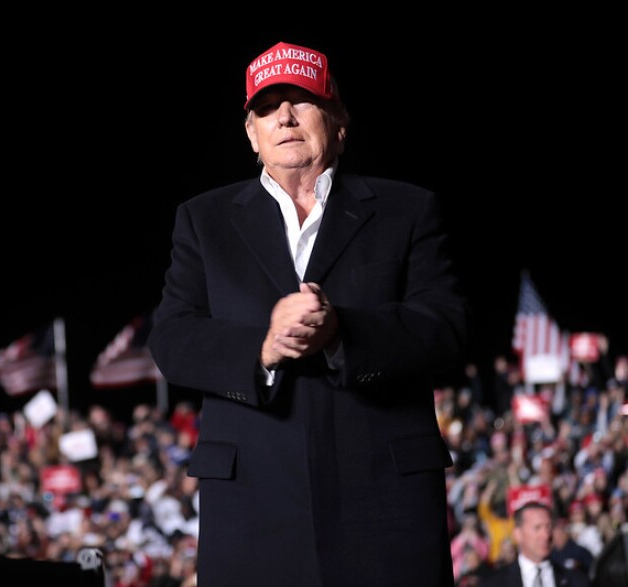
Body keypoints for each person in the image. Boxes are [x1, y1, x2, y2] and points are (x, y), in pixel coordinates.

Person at [148, 39, 471, 587]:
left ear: (339, 121)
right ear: (251, 133)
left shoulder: (407, 210)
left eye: (302, 100)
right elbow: (172, 340)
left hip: (385, 504)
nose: (285, 117)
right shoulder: (203, 220)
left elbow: (446, 327)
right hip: (253, 503)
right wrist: (264, 347)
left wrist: (342, 332)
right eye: (267, 107)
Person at [478, 501, 591, 586]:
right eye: (537, 528)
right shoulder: (495, 583)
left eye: (548, 527)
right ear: (518, 534)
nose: (546, 535)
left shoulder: (576, 580)